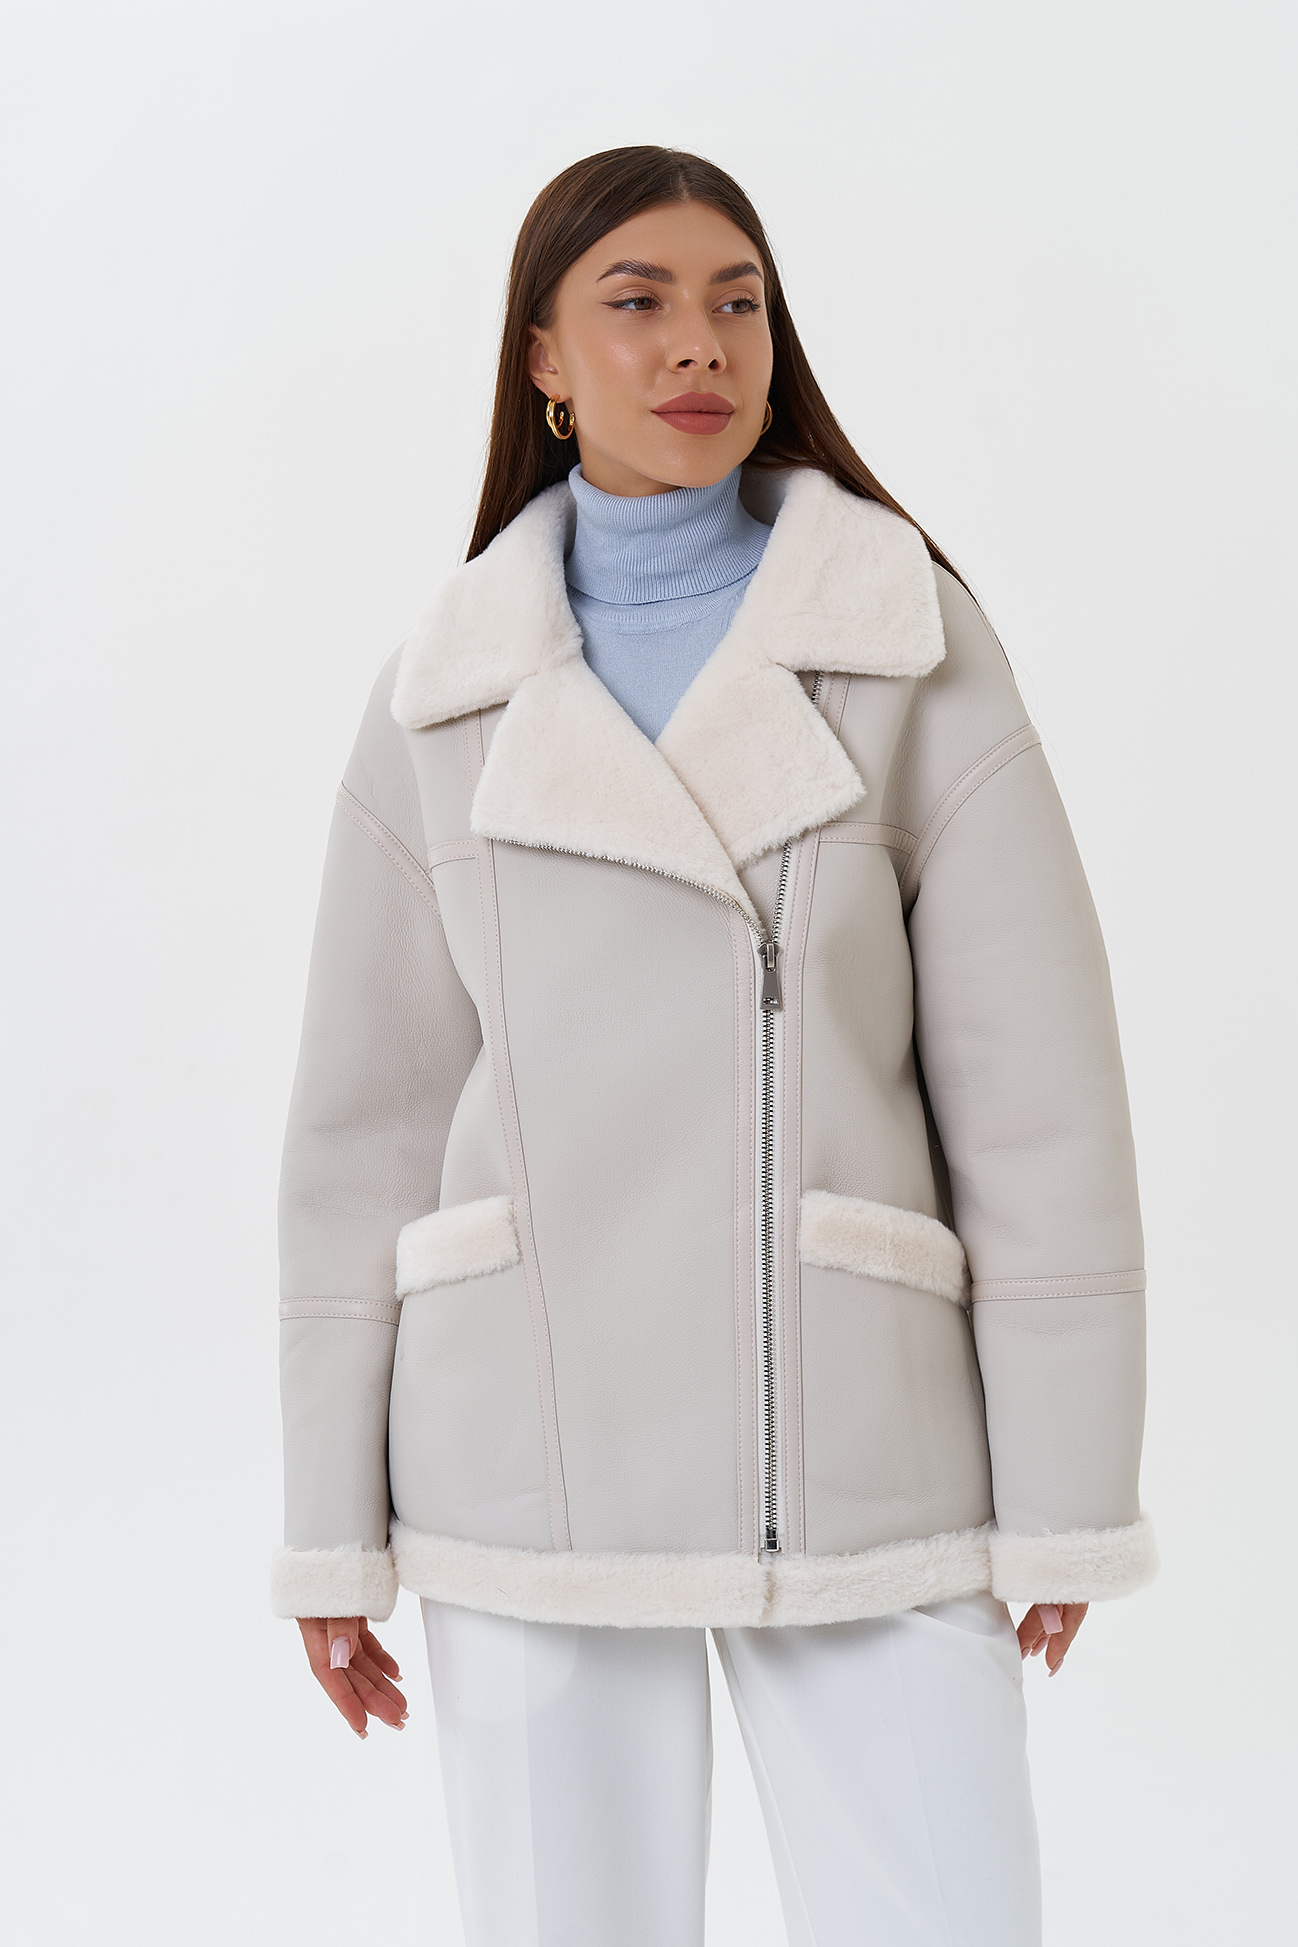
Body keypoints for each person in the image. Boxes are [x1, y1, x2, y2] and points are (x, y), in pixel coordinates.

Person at [271, 145, 1157, 1945]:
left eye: (736, 301)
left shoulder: (903, 638)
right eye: (640, 301)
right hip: (524, 1450)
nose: (701, 343)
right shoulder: (443, 686)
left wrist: (1064, 1493)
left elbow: (1036, 1091)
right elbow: (360, 1128)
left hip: (853, 1443)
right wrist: (328, 1525)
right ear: (541, 357)